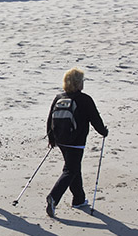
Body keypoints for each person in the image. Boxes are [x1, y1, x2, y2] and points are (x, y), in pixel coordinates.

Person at [45, 68, 108, 218]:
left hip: (61, 140)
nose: (83, 83)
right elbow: (95, 119)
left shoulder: (59, 97)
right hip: (76, 142)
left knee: (74, 168)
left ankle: (78, 199)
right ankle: (53, 197)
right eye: (82, 80)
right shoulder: (84, 99)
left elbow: (50, 119)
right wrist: (103, 132)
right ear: (77, 83)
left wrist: (51, 139)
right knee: (70, 170)